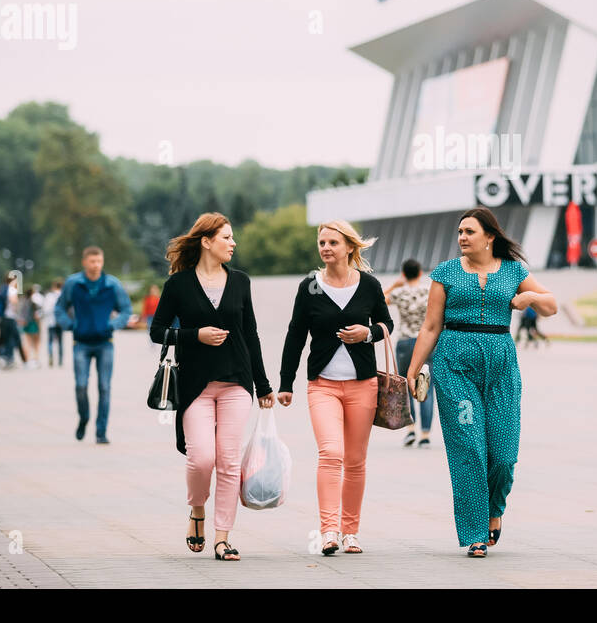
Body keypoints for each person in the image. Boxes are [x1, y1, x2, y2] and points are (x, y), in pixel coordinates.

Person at [403, 207, 557, 557]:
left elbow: (551, 305)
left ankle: (494, 509)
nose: (462, 238)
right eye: (459, 232)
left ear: (490, 237)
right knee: (469, 448)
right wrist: (412, 370)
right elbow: (430, 327)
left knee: (503, 454)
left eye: (469, 232)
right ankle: (474, 533)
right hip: (455, 365)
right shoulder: (445, 273)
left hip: (501, 365)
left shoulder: (514, 270)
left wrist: (530, 297)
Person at [149, 214, 274, 561]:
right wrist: (195, 335)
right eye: (227, 237)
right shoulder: (178, 285)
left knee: (229, 461)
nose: (233, 243)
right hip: (194, 385)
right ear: (206, 241)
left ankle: (222, 537)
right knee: (201, 459)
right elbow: (157, 331)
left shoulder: (240, 282)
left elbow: (251, 334)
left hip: (236, 381)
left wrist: (262, 385)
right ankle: (197, 511)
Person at [279, 220, 394, 556]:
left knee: (356, 461)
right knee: (331, 453)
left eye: (333, 242)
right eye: (322, 242)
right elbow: (295, 335)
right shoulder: (309, 287)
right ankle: (329, 531)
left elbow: (387, 323)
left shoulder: (369, 285)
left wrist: (368, 333)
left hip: (363, 386)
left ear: (349, 247)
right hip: (323, 387)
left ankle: (351, 532)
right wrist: (285, 383)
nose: (326, 248)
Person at [55, 247, 132, 444]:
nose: (96, 265)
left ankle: (101, 431)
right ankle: (84, 418)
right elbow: (59, 308)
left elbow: (126, 310)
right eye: (92, 261)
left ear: (102, 262)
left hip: (105, 343)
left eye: (99, 261)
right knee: (81, 386)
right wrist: (70, 325)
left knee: (104, 387)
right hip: (81, 343)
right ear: (84, 262)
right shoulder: (74, 283)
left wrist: (112, 325)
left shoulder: (112, 284)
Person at [385, 258, 434, 447]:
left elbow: (376, 300)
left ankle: (411, 430)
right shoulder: (428, 291)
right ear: (420, 272)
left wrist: (394, 285)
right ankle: (425, 434)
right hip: (427, 342)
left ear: (404, 274)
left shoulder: (399, 293)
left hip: (405, 343)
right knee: (426, 387)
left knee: (406, 387)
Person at [42, 279, 64, 367]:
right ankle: (60, 360)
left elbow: (46, 309)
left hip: (51, 321)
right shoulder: (63, 296)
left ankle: (51, 357)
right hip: (61, 322)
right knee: (60, 342)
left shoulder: (49, 296)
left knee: (50, 341)